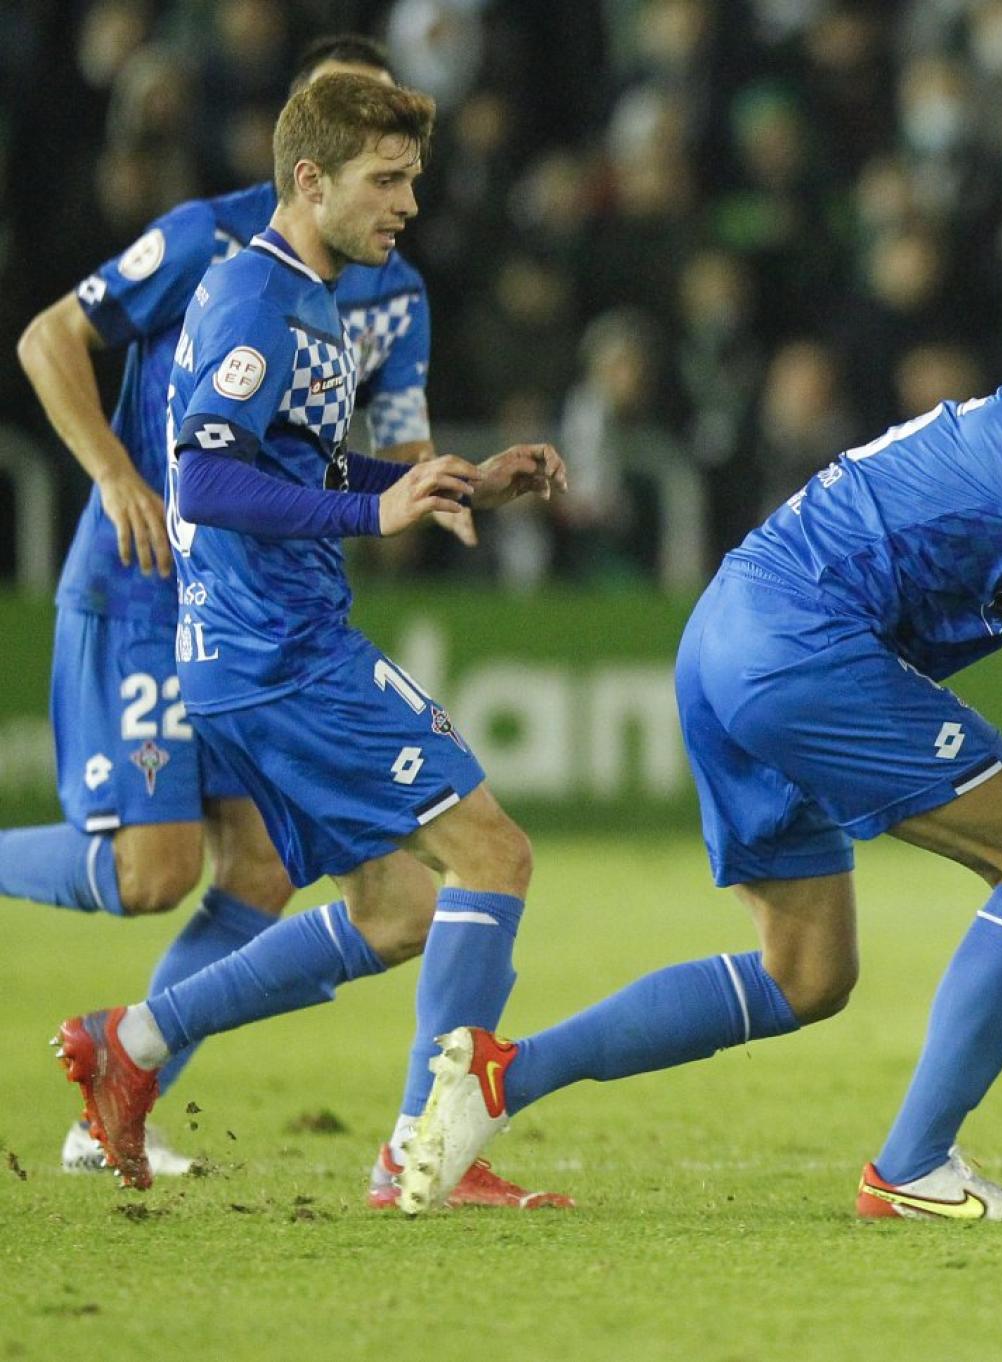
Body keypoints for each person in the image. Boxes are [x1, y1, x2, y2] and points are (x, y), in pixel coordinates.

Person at [392, 251, 1002, 1222]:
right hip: (804, 645)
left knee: (806, 974)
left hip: (731, 636)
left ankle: (502, 1075)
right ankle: (913, 1168)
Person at [52, 73, 570, 1203]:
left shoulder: (309, 296)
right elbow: (204, 476)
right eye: (386, 182)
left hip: (262, 652)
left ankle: (132, 1044)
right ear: (310, 179)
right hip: (280, 652)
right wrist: (367, 513)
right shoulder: (252, 296)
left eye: (412, 182)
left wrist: (447, 479)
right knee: (495, 855)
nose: (407, 207)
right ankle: (429, 1151)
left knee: (399, 913)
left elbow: (296, 463)